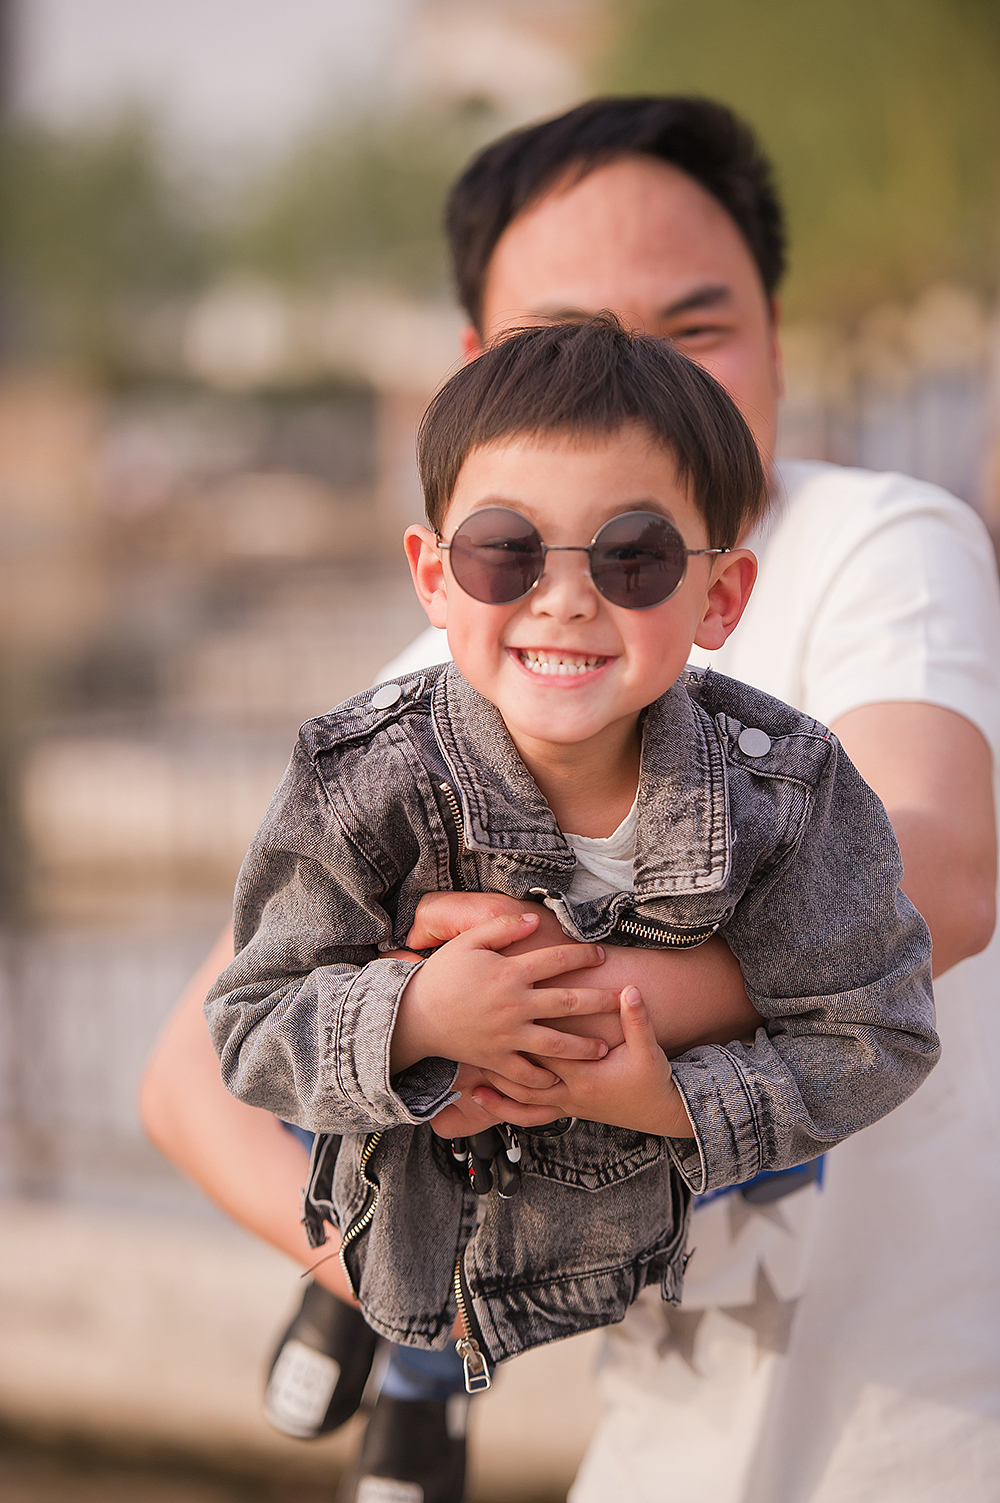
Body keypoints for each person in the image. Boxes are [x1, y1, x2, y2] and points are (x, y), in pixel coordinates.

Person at [140, 96, 1000, 1502]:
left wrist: (546, 1008)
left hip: (924, 1425)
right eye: (573, 338)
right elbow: (197, 1069)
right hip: (664, 1428)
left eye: (696, 328)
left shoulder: (870, 539)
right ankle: (404, 1359)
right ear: (478, 376)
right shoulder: (452, 666)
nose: (635, 380)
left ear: (777, 335)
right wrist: (438, 1265)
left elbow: (939, 876)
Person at [204, 311, 936, 1379]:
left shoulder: (784, 792)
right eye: (506, 549)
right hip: (418, 1214)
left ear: (719, 596)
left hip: (653, 1236)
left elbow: (881, 1027)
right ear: (435, 576)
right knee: (406, 1311)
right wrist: (420, 1011)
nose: (564, 597)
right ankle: (390, 1351)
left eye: (632, 557)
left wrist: (670, 1102)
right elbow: (250, 1025)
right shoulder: (361, 781)